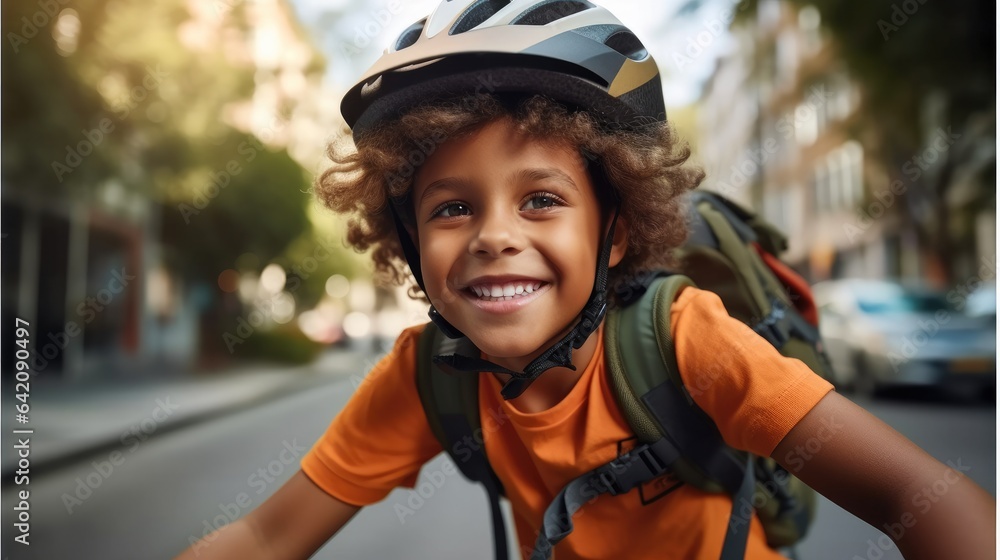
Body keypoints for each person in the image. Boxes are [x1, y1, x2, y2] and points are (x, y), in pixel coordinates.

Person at [175, 1, 995, 559]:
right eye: (451, 208)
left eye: (541, 199)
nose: (496, 235)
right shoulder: (428, 375)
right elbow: (265, 539)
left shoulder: (684, 340)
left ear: (616, 231)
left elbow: (924, 500)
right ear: (409, 240)